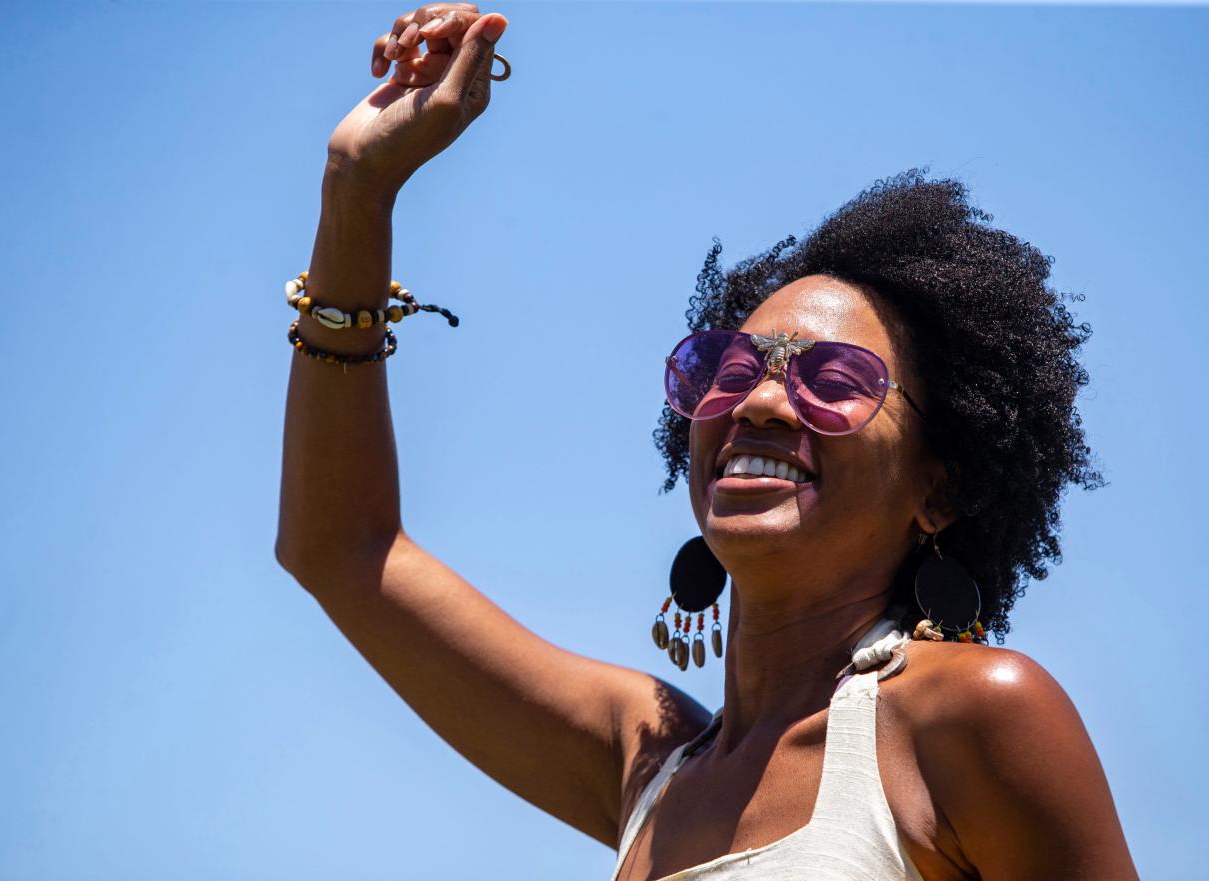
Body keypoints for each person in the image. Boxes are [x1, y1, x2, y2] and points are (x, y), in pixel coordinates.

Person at [274, 5, 1140, 879]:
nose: (759, 402)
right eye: (725, 368)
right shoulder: (648, 761)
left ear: (938, 489)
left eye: (834, 382)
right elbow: (343, 549)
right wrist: (357, 187)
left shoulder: (973, 719)